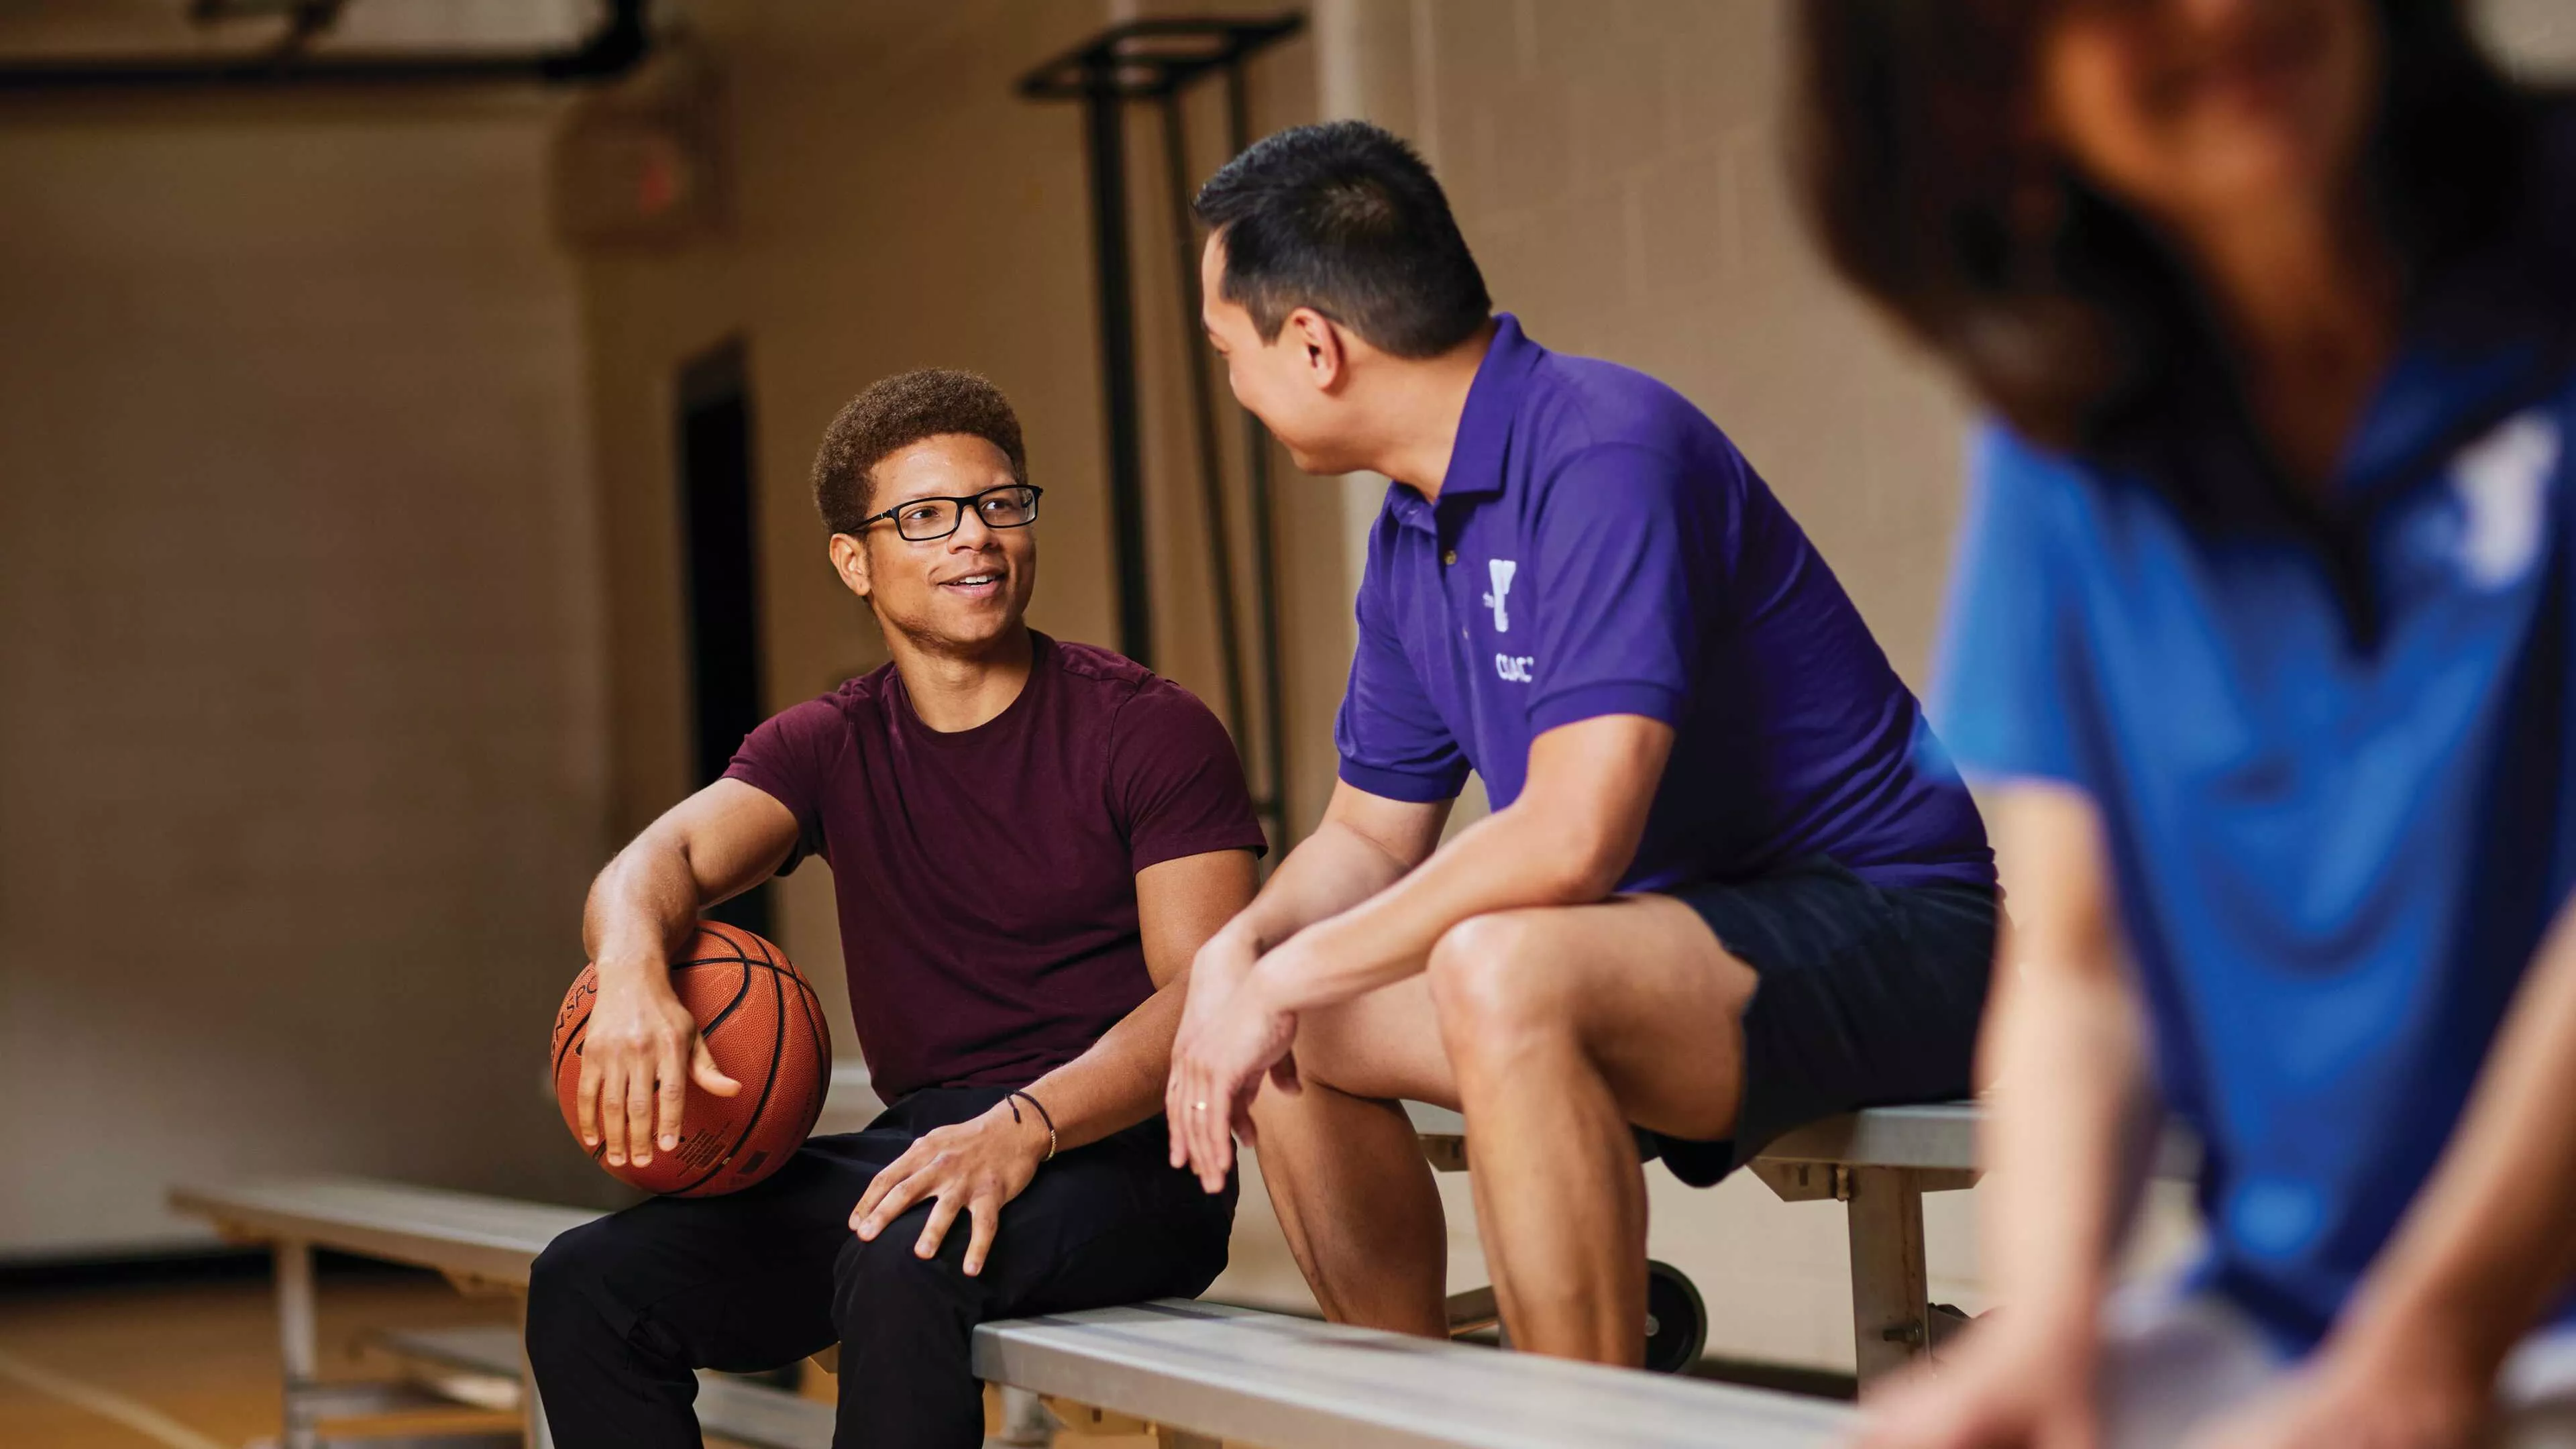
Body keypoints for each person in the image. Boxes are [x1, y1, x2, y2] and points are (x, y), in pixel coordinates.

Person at [1796, 1, 2576, 1444]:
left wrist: (2433, 1345)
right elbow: (2085, 972)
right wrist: (2046, 1338)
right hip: (2304, 1315)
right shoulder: (2070, 419)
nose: (2219, 10)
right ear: (1993, 80)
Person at [1163, 119, 1999, 1365]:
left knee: (1485, 966)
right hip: (1648, 948)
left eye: (1228, 351)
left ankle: (1574, 1413)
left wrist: (1287, 976)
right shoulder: (1410, 533)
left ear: (1315, 348)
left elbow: (1571, 836)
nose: (1233, 385)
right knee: (1296, 1028)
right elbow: (1367, 836)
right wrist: (1241, 957)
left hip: (1896, 930)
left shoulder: (1604, 448)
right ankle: (1416, 1419)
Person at [523, 370, 1268, 1448]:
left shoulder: (1148, 729)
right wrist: (633, 976)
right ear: (854, 561)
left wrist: (1027, 1126)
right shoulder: (830, 743)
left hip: (1128, 1159)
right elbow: (657, 860)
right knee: (588, 1282)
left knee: (905, 1251)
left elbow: (1208, 995)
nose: (974, 537)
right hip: (927, 1145)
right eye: (926, 517)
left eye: (998, 504)